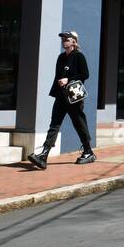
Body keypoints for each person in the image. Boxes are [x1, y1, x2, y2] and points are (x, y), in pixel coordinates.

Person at [28, 30, 95, 168]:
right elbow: (58, 76)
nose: (64, 40)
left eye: (67, 38)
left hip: (73, 97)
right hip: (61, 96)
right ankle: (44, 155)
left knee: (79, 123)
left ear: (74, 41)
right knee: (55, 124)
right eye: (63, 38)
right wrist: (57, 88)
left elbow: (85, 74)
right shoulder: (61, 57)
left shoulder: (79, 57)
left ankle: (88, 152)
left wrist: (68, 79)